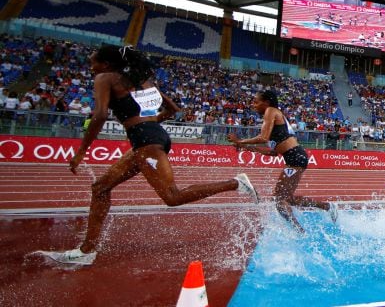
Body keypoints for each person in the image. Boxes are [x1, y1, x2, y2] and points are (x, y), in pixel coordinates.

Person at [40, 45, 258, 265]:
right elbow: (172, 108)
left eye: (93, 63)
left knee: (172, 197)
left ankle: (235, 183)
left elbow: (100, 114)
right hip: (152, 137)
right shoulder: (143, 81)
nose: (91, 67)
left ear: (105, 64)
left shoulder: (105, 78)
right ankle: (87, 250)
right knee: (100, 188)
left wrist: (81, 151)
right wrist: (149, 123)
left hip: (147, 142)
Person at [227, 90, 336, 233]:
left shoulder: (271, 111)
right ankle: (327, 207)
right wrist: (247, 147)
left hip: (295, 157)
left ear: (266, 102)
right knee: (288, 199)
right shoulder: (275, 124)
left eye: (256, 102)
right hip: (295, 157)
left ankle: (299, 231)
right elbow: (272, 152)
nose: (253, 105)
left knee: (279, 200)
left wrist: (240, 141)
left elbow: (263, 138)